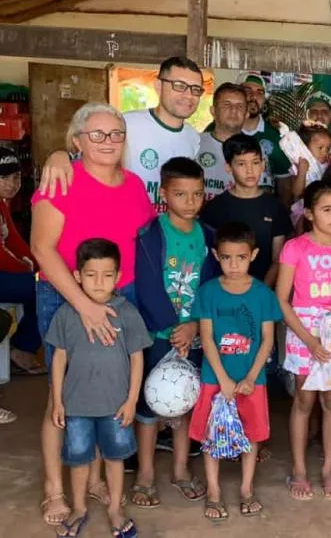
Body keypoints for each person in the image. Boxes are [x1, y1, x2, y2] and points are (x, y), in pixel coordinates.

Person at [31, 102, 156, 526]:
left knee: (107, 389)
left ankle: (96, 479)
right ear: (77, 140)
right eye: (97, 134)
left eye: (116, 133)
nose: (108, 141)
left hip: (121, 299)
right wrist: (85, 306)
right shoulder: (61, 178)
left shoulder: (134, 185)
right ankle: (54, 490)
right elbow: (42, 248)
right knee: (65, 394)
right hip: (66, 297)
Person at [48, 239, 149, 538]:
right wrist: (58, 401)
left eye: (107, 275)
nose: (99, 282)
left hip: (116, 406)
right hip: (76, 406)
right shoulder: (66, 313)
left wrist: (131, 400)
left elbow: (137, 358)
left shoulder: (127, 313)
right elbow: (58, 359)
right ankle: (79, 509)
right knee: (79, 460)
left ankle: (115, 510)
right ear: (77, 275)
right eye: (91, 275)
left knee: (115, 459)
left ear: (118, 277)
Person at [132, 157, 218, 508]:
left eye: (197, 194)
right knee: (149, 405)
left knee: (184, 401)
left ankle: (180, 470)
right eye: (181, 194)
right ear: (164, 194)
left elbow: (212, 288)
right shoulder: (150, 235)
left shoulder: (208, 236)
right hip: (158, 335)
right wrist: (171, 328)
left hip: (194, 335)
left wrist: (194, 324)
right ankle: (145, 474)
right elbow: (147, 286)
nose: (191, 202)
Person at [278, 180, 331, 501]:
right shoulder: (295, 248)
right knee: (304, 402)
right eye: (326, 210)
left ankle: (328, 468)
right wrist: (310, 340)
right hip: (304, 336)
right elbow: (282, 300)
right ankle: (300, 469)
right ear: (309, 214)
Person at [188, 222, 283, 521]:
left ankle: (246, 488)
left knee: (252, 433)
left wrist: (251, 377)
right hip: (214, 378)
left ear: (253, 255)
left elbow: (267, 340)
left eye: (241, 257)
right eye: (226, 257)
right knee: (210, 435)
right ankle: (214, 491)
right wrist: (224, 380)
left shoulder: (263, 294)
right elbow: (206, 338)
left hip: (252, 380)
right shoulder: (208, 292)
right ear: (216, 255)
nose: (233, 265)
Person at [37, 57, 203, 212]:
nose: (188, 95)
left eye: (195, 89)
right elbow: (79, 157)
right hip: (122, 222)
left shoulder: (193, 137)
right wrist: (59, 156)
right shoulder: (126, 124)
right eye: (179, 86)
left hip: (166, 228)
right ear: (158, 86)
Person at [200, 135, 292, 289]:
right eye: (241, 164)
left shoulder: (275, 207)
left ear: (263, 165)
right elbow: (209, 257)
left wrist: (260, 292)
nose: (250, 170)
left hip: (262, 291)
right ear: (228, 167)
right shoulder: (215, 208)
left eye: (255, 163)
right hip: (224, 292)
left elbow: (277, 259)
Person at [0, 147, 44, 376]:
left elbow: (16, 243)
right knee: (45, 288)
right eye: (3, 178)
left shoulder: (2, 204)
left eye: (15, 177)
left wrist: (41, 266)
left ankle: (23, 347)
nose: (11, 184)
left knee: (46, 282)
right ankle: (23, 349)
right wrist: (28, 269)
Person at [240, 74, 293, 201]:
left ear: (264, 100)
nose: (254, 97)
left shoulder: (277, 135)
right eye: (248, 91)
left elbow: (284, 183)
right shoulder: (223, 129)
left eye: (260, 92)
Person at [197, 83, 247, 199]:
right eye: (227, 104)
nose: (234, 110)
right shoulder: (195, 143)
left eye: (240, 106)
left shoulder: (256, 149)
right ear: (213, 111)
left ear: (246, 114)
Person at [289, 123, 331, 201]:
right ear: (305, 147)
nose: (325, 152)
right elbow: (296, 193)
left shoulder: (326, 164)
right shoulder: (298, 165)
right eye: (320, 148)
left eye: (327, 149)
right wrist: (302, 172)